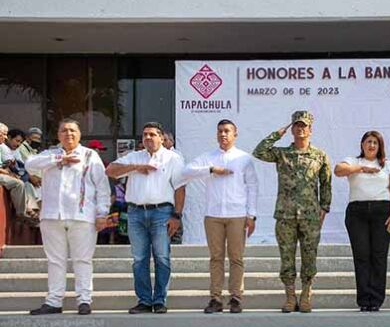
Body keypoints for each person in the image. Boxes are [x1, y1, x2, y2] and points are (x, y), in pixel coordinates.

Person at [25, 119, 111, 315]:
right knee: (55, 260)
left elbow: (102, 187)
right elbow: (30, 164)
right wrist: (59, 160)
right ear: (58, 135)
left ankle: (84, 300)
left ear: (79, 134)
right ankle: (54, 301)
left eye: (72, 130)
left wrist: (102, 213)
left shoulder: (90, 155)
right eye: (64, 130)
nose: (68, 134)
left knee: (82, 260)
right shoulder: (50, 155)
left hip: (82, 216)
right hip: (51, 216)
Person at [253, 111, 332, 313]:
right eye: (297, 125)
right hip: (285, 214)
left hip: (310, 215)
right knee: (286, 257)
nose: (300, 129)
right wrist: (277, 134)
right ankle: (290, 296)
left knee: (309, 256)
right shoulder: (282, 154)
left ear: (310, 129)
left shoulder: (319, 155)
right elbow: (259, 152)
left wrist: (324, 207)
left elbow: (326, 183)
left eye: (304, 125)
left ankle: (306, 294)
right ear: (292, 129)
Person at [106, 122, 186, 314]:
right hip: (135, 213)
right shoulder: (134, 157)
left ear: (161, 137)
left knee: (162, 257)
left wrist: (177, 216)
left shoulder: (173, 158)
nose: (148, 138)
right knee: (139, 259)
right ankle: (144, 300)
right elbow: (110, 170)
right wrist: (136, 167)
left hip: (162, 212)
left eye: (152, 134)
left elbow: (180, 188)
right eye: (145, 135)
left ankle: (159, 300)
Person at [181, 119, 258, 314]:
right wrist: (211, 169)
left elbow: (252, 186)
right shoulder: (209, 157)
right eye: (220, 131)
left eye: (227, 131)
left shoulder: (244, 158)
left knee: (236, 257)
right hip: (213, 215)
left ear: (235, 134)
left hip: (237, 214)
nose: (223, 134)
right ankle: (215, 298)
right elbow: (186, 171)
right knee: (216, 258)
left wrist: (251, 215)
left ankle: (236, 297)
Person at [335, 131, 390, 312]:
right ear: (362, 144)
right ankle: (364, 299)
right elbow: (338, 170)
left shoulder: (387, 165)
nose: (371, 145)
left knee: (379, 255)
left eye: (375, 143)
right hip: (358, 212)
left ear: (380, 146)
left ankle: (376, 299)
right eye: (368, 142)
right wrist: (362, 168)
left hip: (382, 211)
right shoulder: (353, 161)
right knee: (361, 255)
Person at [0, 123, 38, 221]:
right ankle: (22, 213)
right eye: (2, 134)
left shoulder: (7, 148)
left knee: (27, 183)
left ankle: (32, 212)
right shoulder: (3, 148)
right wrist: (8, 173)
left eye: (5, 134)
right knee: (19, 183)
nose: (4, 137)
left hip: (7, 172)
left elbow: (16, 165)